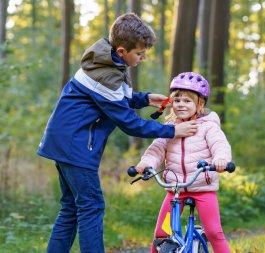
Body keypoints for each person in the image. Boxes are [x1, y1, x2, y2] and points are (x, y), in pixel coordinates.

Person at [37, 13, 197, 253]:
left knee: (71, 208)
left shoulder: (107, 63)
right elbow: (130, 124)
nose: (142, 58)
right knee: (92, 207)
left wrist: (144, 99)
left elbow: (114, 99)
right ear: (122, 50)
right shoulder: (107, 75)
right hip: (76, 148)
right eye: (139, 54)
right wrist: (173, 130)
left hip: (65, 145)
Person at [136, 72, 232, 253]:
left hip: (203, 189)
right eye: (177, 100)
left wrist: (221, 160)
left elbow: (220, 145)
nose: (181, 104)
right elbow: (156, 150)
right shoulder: (169, 129)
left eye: (187, 101)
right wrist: (146, 163)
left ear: (200, 104)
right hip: (175, 191)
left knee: (214, 232)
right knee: (161, 234)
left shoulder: (208, 126)